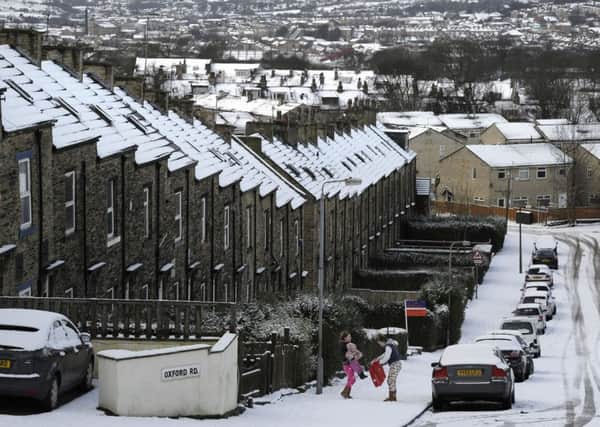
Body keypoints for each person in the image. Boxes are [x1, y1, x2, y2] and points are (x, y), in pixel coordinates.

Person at [372, 334, 402, 402]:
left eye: (379, 343)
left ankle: (392, 397)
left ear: (382, 341)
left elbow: (386, 357)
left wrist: (379, 363)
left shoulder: (388, 346)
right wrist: (376, 359)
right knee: (391, 380)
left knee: (391, 380)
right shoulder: (390, 344)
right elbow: (384, 354)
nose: (379, 345)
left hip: (395, 364)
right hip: (396, 364)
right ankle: (392, 396)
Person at [339, 331, 366, 399]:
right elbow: (348, 355)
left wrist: (357, 354)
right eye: (349, 336)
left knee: (351, 379)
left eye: (350, 336)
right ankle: (344, 393)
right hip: (347, 364)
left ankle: (346, 393)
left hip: (350, 364)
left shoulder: (348, 344)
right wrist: (354, 356)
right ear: (345, 338)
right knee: (351, 379)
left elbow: (353, 353)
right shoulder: (345, 345)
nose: (350, 337)